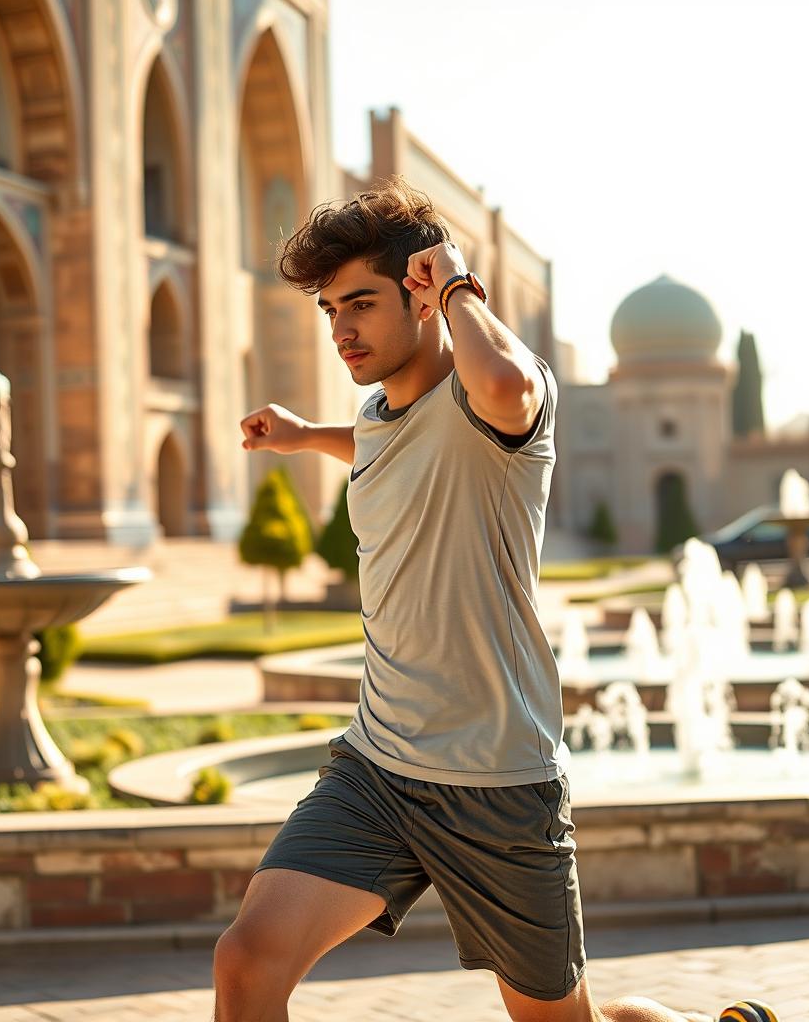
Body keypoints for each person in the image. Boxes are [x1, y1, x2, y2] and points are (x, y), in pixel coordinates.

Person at [213, 178, 777, 1022]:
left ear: (425, 293)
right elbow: (385, 443)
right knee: (248, 962)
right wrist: (305, 436)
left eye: (360, 304)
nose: (341, 332)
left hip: (498, 785)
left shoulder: (506, 394)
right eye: (331, 311)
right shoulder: (375, 414)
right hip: (378, 767)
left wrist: (461, 287)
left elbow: (502, 393)